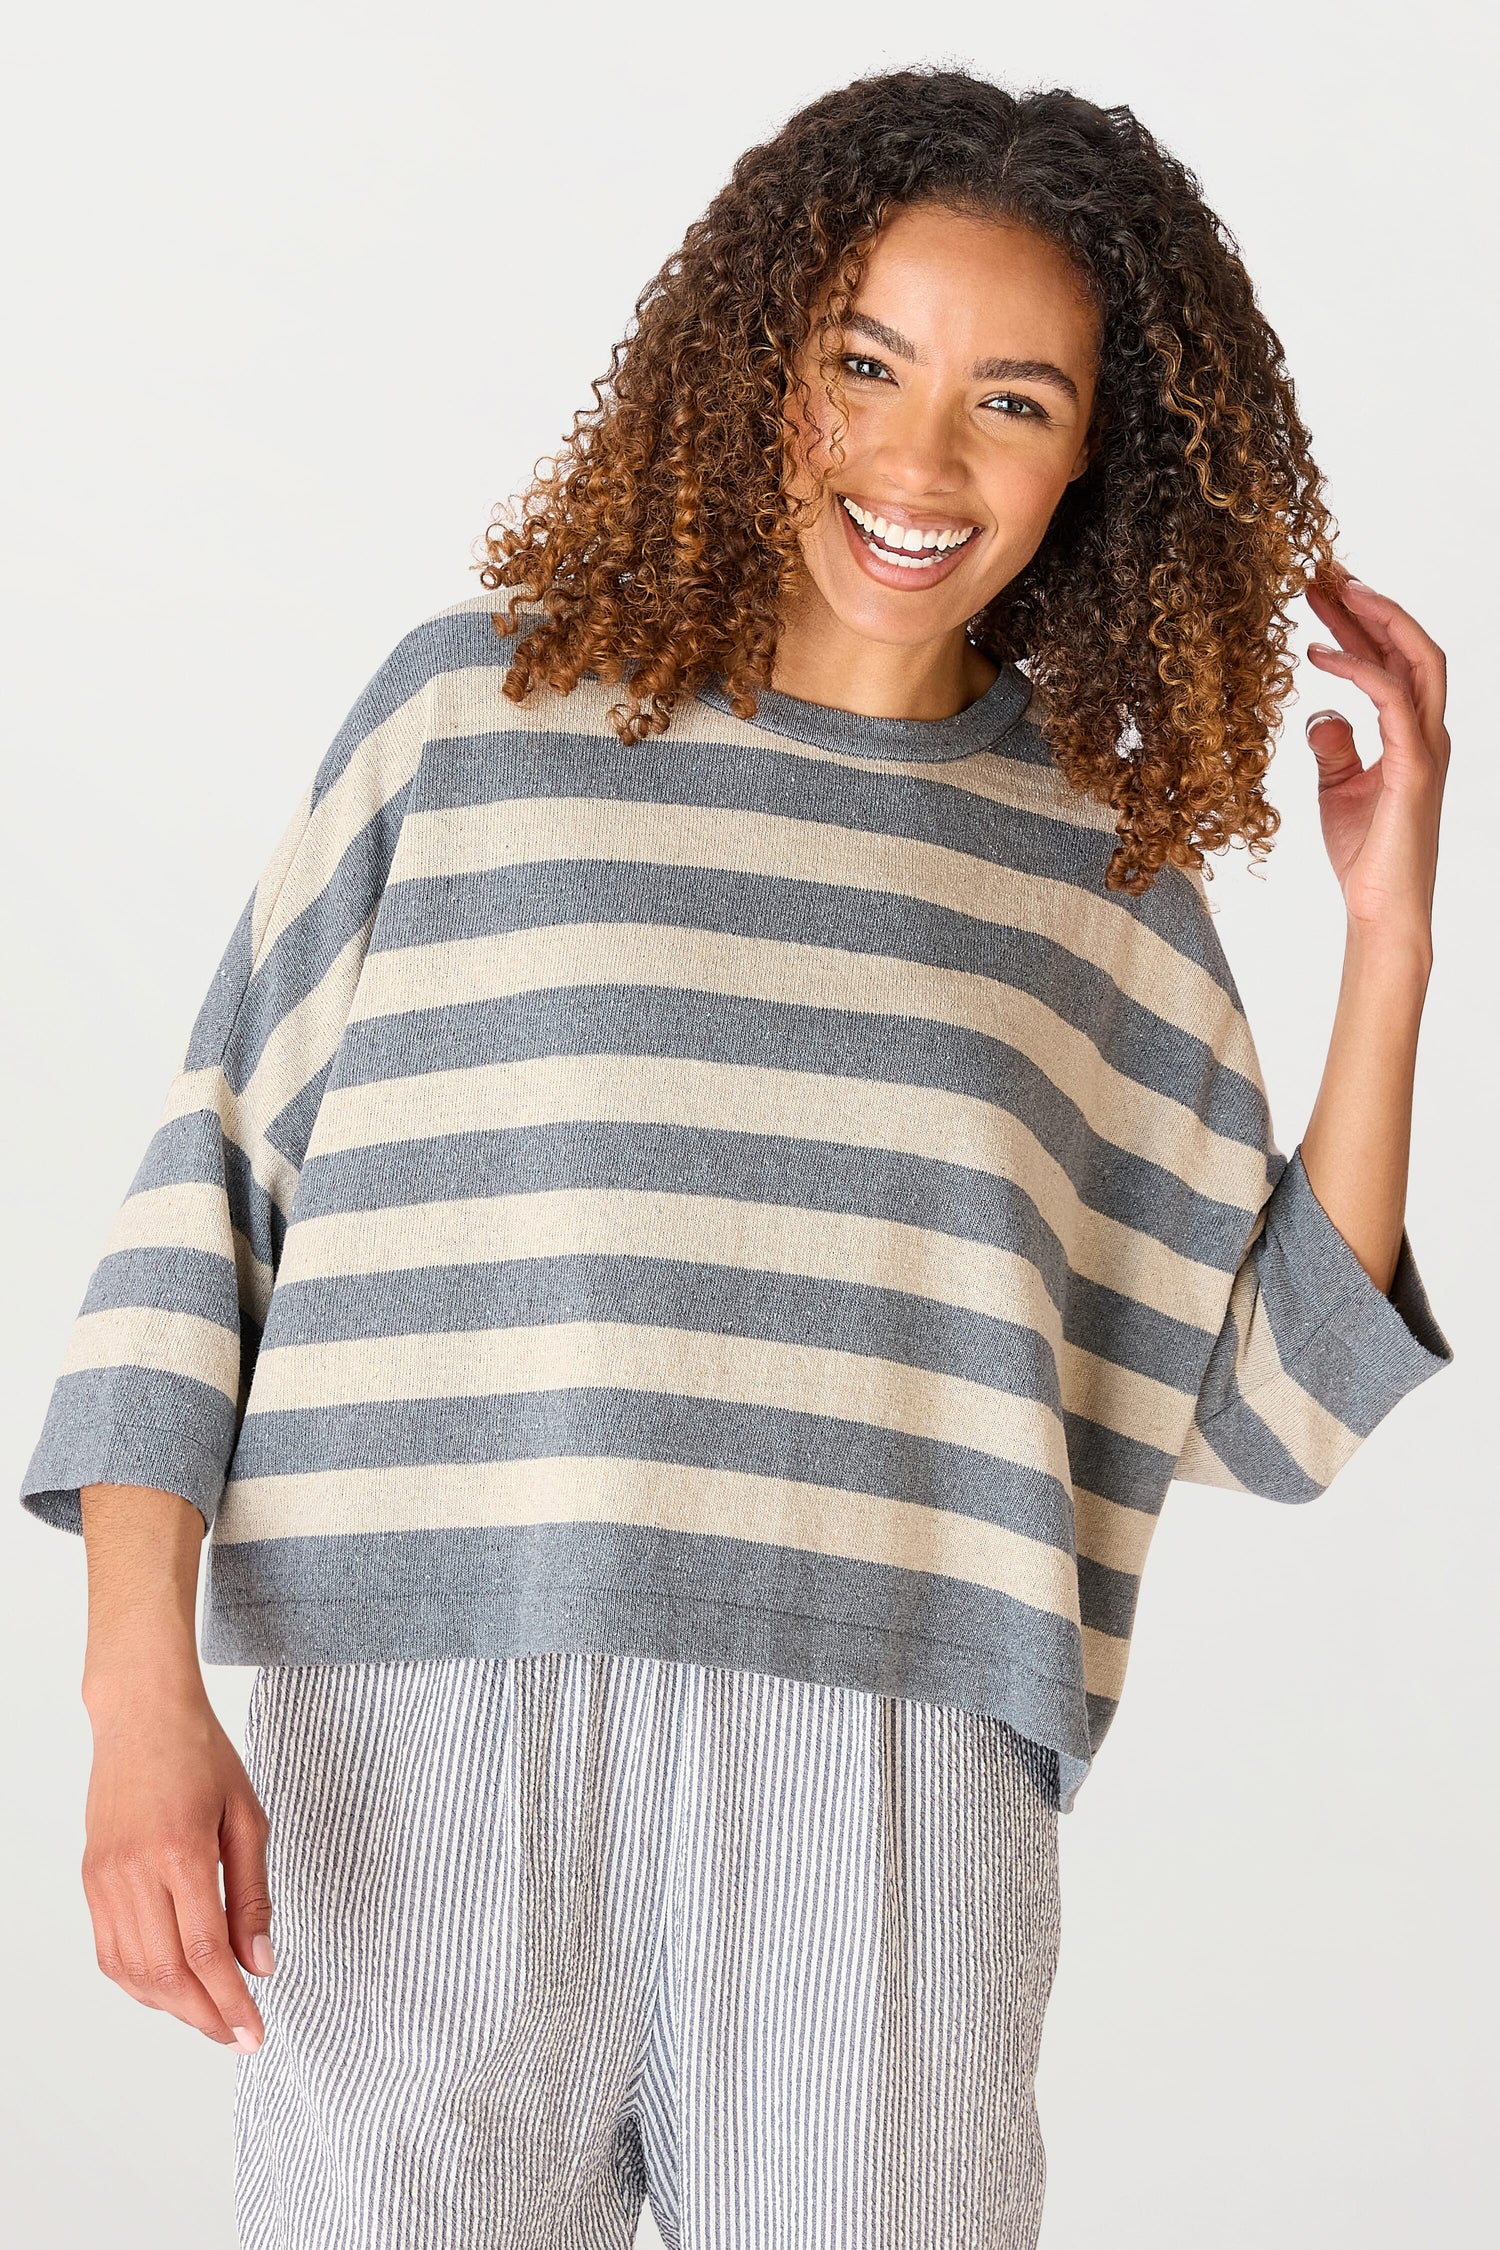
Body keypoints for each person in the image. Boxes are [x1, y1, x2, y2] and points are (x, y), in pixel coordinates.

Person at [21, 66, 1452, 2250]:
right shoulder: (478, 721)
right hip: (423, 1727)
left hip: (886, 1782)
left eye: (1015, 400)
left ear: (1103, 457)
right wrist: (141, 1704)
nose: (918, 458)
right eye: (865, 362)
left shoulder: (1102, 869)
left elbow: (1268, 1408)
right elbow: (205, 1200)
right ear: (762, 353)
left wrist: (1392, 931)